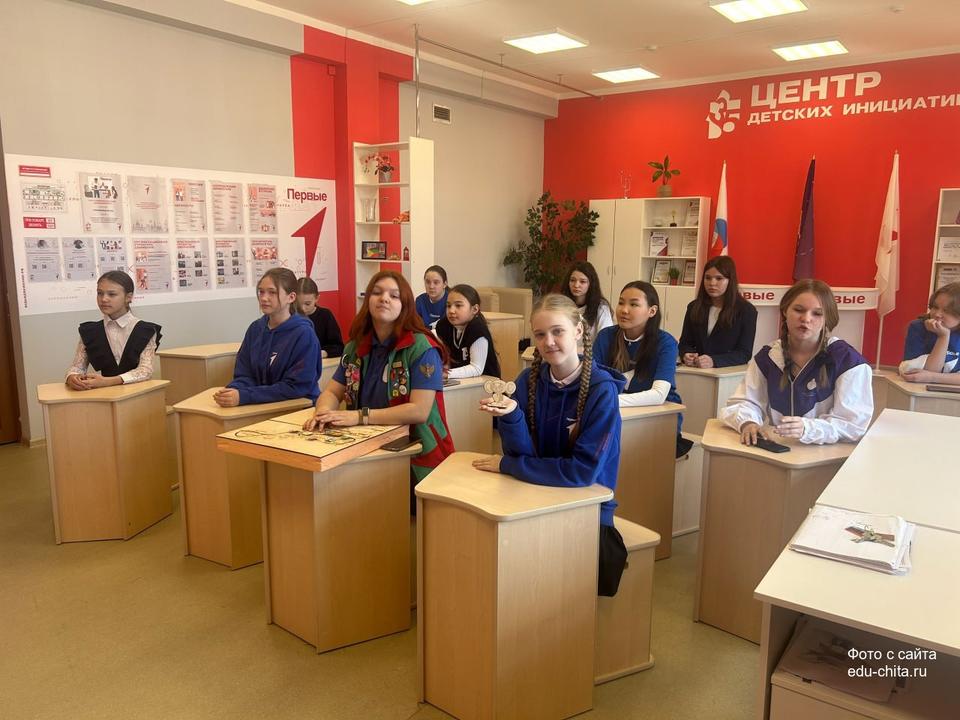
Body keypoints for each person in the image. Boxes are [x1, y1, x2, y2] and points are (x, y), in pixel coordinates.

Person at [473, 294, 627, 596]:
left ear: (578, 331)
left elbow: (581, 473)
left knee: (554, 590)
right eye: (540, 334)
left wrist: (509, 465)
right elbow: (522, 453)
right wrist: (512, 416)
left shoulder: (601, 391)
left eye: (558, 331)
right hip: (535, 496)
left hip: (586, 511)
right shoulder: (528, 380)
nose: (549, 342)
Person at [303, 271, 454, 486]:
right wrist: (324, 413)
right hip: (365, 447)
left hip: (416, 453)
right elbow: (332, 392)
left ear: (405, 305)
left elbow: (419, 411)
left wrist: (360, 416)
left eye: (394, 295)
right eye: (377, 293)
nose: (384, 298)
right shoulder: (355, 346)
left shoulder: (422, 348)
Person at [720, 279, 873, 445]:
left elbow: (852, 425)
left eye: (817, 313)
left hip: (828, 455)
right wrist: (748, 422)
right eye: (799, 310)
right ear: (785, 311)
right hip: (780, 451)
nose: (806, 319)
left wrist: (808, 429)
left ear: (827, 318)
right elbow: (745, 401)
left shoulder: (847, 361)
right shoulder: (768, 357)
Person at [593, 281, 689, 456]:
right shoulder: (606, 336)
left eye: (634, 304)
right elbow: (594, 384)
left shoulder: (665, 342)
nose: (624, 310)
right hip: (614, 412)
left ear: (652, 311)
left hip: (658, 415)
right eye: (621, 302)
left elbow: (658, 395)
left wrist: (610, 400)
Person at [214, 268, 321, 407]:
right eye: (261, 291)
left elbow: (296, 387)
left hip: (298, 407)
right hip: (262, 405)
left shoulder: (304, 334)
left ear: (291, 297)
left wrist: (245, 396)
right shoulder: (255, 329)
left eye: (272, 292)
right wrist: (233, 390)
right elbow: (244, 374)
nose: (264, 298)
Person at [65, 271, 161, 390]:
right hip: (105, 395)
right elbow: (77, 366)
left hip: (137, 393)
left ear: (128, 297)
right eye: (100, 293)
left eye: (112, 294)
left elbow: (145, 370)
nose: (104, 299)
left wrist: (109, 381)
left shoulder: (145, 330)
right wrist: (72, 377)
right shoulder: (90, 331)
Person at [678, 256, 757, 368]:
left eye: (719, 278)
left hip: (727, 373)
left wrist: (714, 361)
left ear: (730, 281)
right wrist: (686, 354)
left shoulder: (746, 311)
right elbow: (685, 343)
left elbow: (744, 353)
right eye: (708, 278)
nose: (712, 283)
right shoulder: (694, 307)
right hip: (696, 371)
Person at [434, 283, 501, 379]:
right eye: (448, 306)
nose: (451, 310)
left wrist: (446, 374)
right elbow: (445, 358)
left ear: (475, 309)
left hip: (485, 382)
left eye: (458, 305)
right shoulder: (443, 326)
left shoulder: (478, 329)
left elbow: (476, 368)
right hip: (458, 380)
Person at [899, 281, 960, 386]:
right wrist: (943, 337)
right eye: (935, 307)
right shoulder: (918, 327)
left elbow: (928, 375)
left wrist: (932, 377)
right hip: (921, 389)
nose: (937, 314)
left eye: (947, 311)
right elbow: (922, 373)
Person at [561, 261, 613, 350]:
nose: (576, 285)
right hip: (564, 354)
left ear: (591, 284)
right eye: (572, 280)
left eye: (582, 281)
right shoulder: (561, 305)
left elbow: (605, 341)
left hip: (590, 355)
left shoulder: (601, 308)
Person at [297, 276, 344, 358]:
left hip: (321, 362)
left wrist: (322, 353)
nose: (303, 309)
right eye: (298, 304)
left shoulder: (325, 315)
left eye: (307, 304)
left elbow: (339, 347)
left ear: (317, 298)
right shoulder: (290, 316)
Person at [414, 265, 449, 329]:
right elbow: (415, 326)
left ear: (445, 284)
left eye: (436, 282)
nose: (431, 286)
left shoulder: (451, 301)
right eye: (428, 282)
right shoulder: (420, 300)